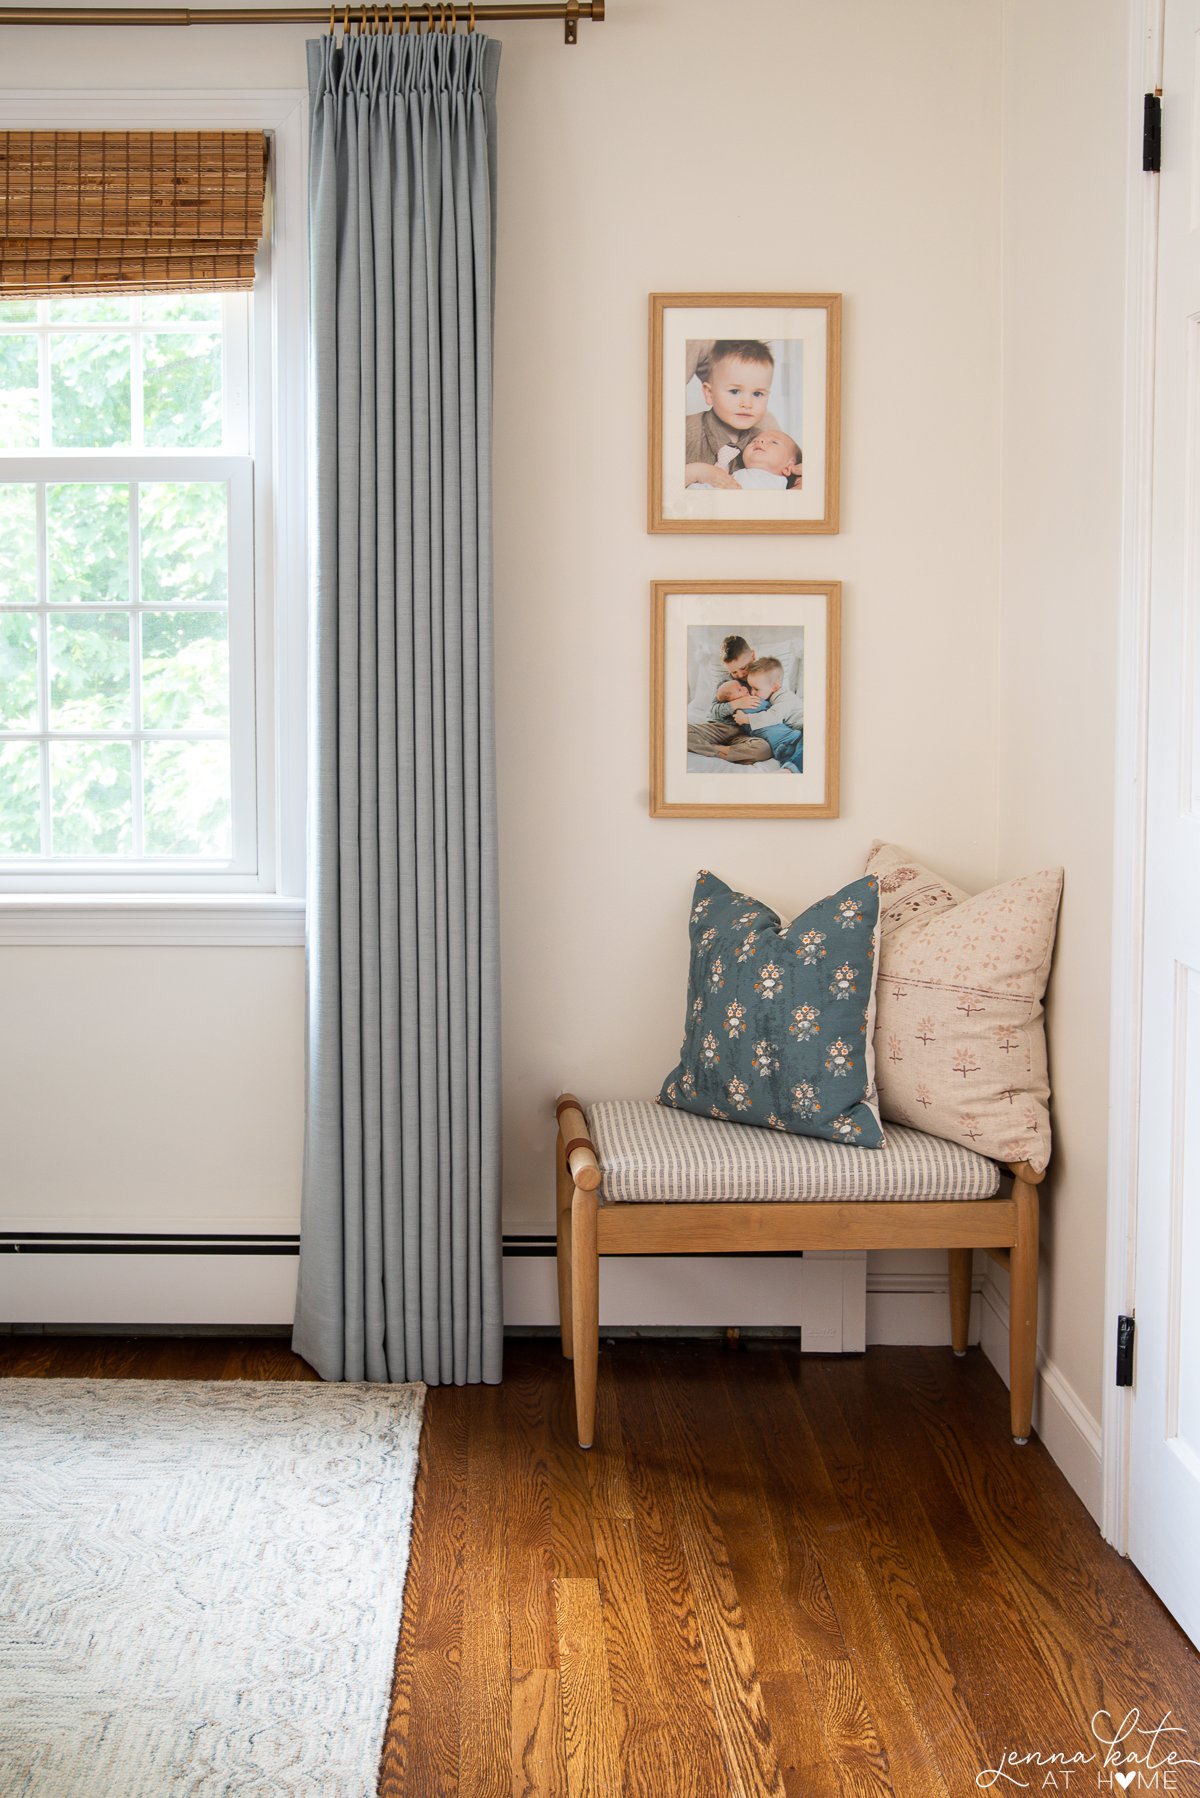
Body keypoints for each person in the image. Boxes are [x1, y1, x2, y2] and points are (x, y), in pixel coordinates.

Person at [684, 340, 781, 489]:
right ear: (709, 394)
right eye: (735, 391)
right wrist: (696, 472)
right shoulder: (684, 432)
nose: (747, 404)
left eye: (757, 393)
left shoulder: (765, 444)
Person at [686, 632, 773, 763]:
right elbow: (714, 710)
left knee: (764, 749)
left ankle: (718, 751)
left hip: (744, 734)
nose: (739, 674)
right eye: (733, 671)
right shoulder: (726, 682)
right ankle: (723, 751)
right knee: (680, 732)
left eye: (743, 667)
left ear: (753, 656)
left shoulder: (762, 680)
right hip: (720, 728)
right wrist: (737, 704)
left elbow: (772, 708)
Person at [716, 654, 804, 772]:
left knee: (806, 746)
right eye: (751, 687)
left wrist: (747, 719)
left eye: (756, 689)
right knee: (795, 750)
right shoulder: (768, 694)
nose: (752, 692)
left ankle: (790, 769)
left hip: (805, 725)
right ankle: (790, 766)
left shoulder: (785, 698)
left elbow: (773, 717)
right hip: (793, 734)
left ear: (775, 687)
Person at [688, 430, 802, 491]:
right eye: (754, 441)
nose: (759, 441)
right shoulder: (736, 474)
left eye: (774, 442)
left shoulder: (781, 488)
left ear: (788, 468)